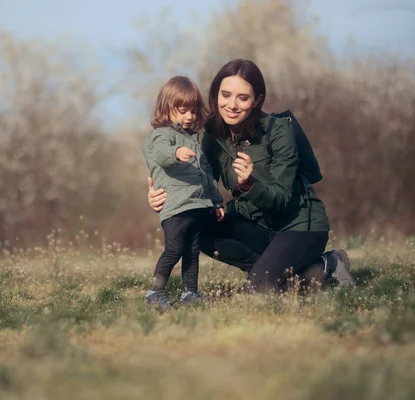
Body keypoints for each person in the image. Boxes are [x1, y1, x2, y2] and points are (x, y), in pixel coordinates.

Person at [147, 59, 355, 293]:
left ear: (257, 100)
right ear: (216, 94)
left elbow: (281, 199)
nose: (232, 105)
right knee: (194, 225)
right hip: (256, 227)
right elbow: (201, 185)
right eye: (225, 95)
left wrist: (249, 184)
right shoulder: (212, 136)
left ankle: (326, 265)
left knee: (258, 290)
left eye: (243, 98)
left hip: (298, 226)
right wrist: (163, 195)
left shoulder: (278, 130)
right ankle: (291, 271)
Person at [142, 76, 226, 306]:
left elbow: (205, 172)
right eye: (182, 111)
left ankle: (190, 293)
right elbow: (160, 155)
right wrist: (176, 152)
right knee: (174, 249)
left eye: (193, 111)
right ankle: (155, 292)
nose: (189, 116)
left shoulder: (194, 139)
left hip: (197, 205)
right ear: (167, 108)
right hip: (176, 206)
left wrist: (216, 201)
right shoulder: (162, 135)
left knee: (192, 252)